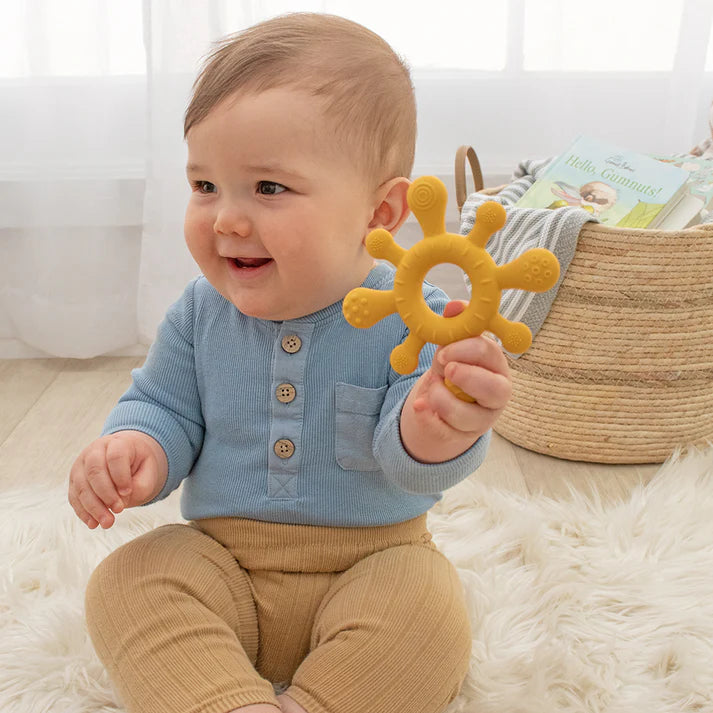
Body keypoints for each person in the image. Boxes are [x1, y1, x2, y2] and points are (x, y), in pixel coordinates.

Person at [68, 12, 512, 713]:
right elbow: (163, 405)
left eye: (267, 188)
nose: (225, 220)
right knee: (129, 578)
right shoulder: (199, 311)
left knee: (428, 611)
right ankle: (226, 700)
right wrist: (136, 448)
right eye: (205, 185)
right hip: (223, 562)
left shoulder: (414, 315)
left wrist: (441, 423)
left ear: (380, 212)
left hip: (373, 561)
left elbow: (411, 458)